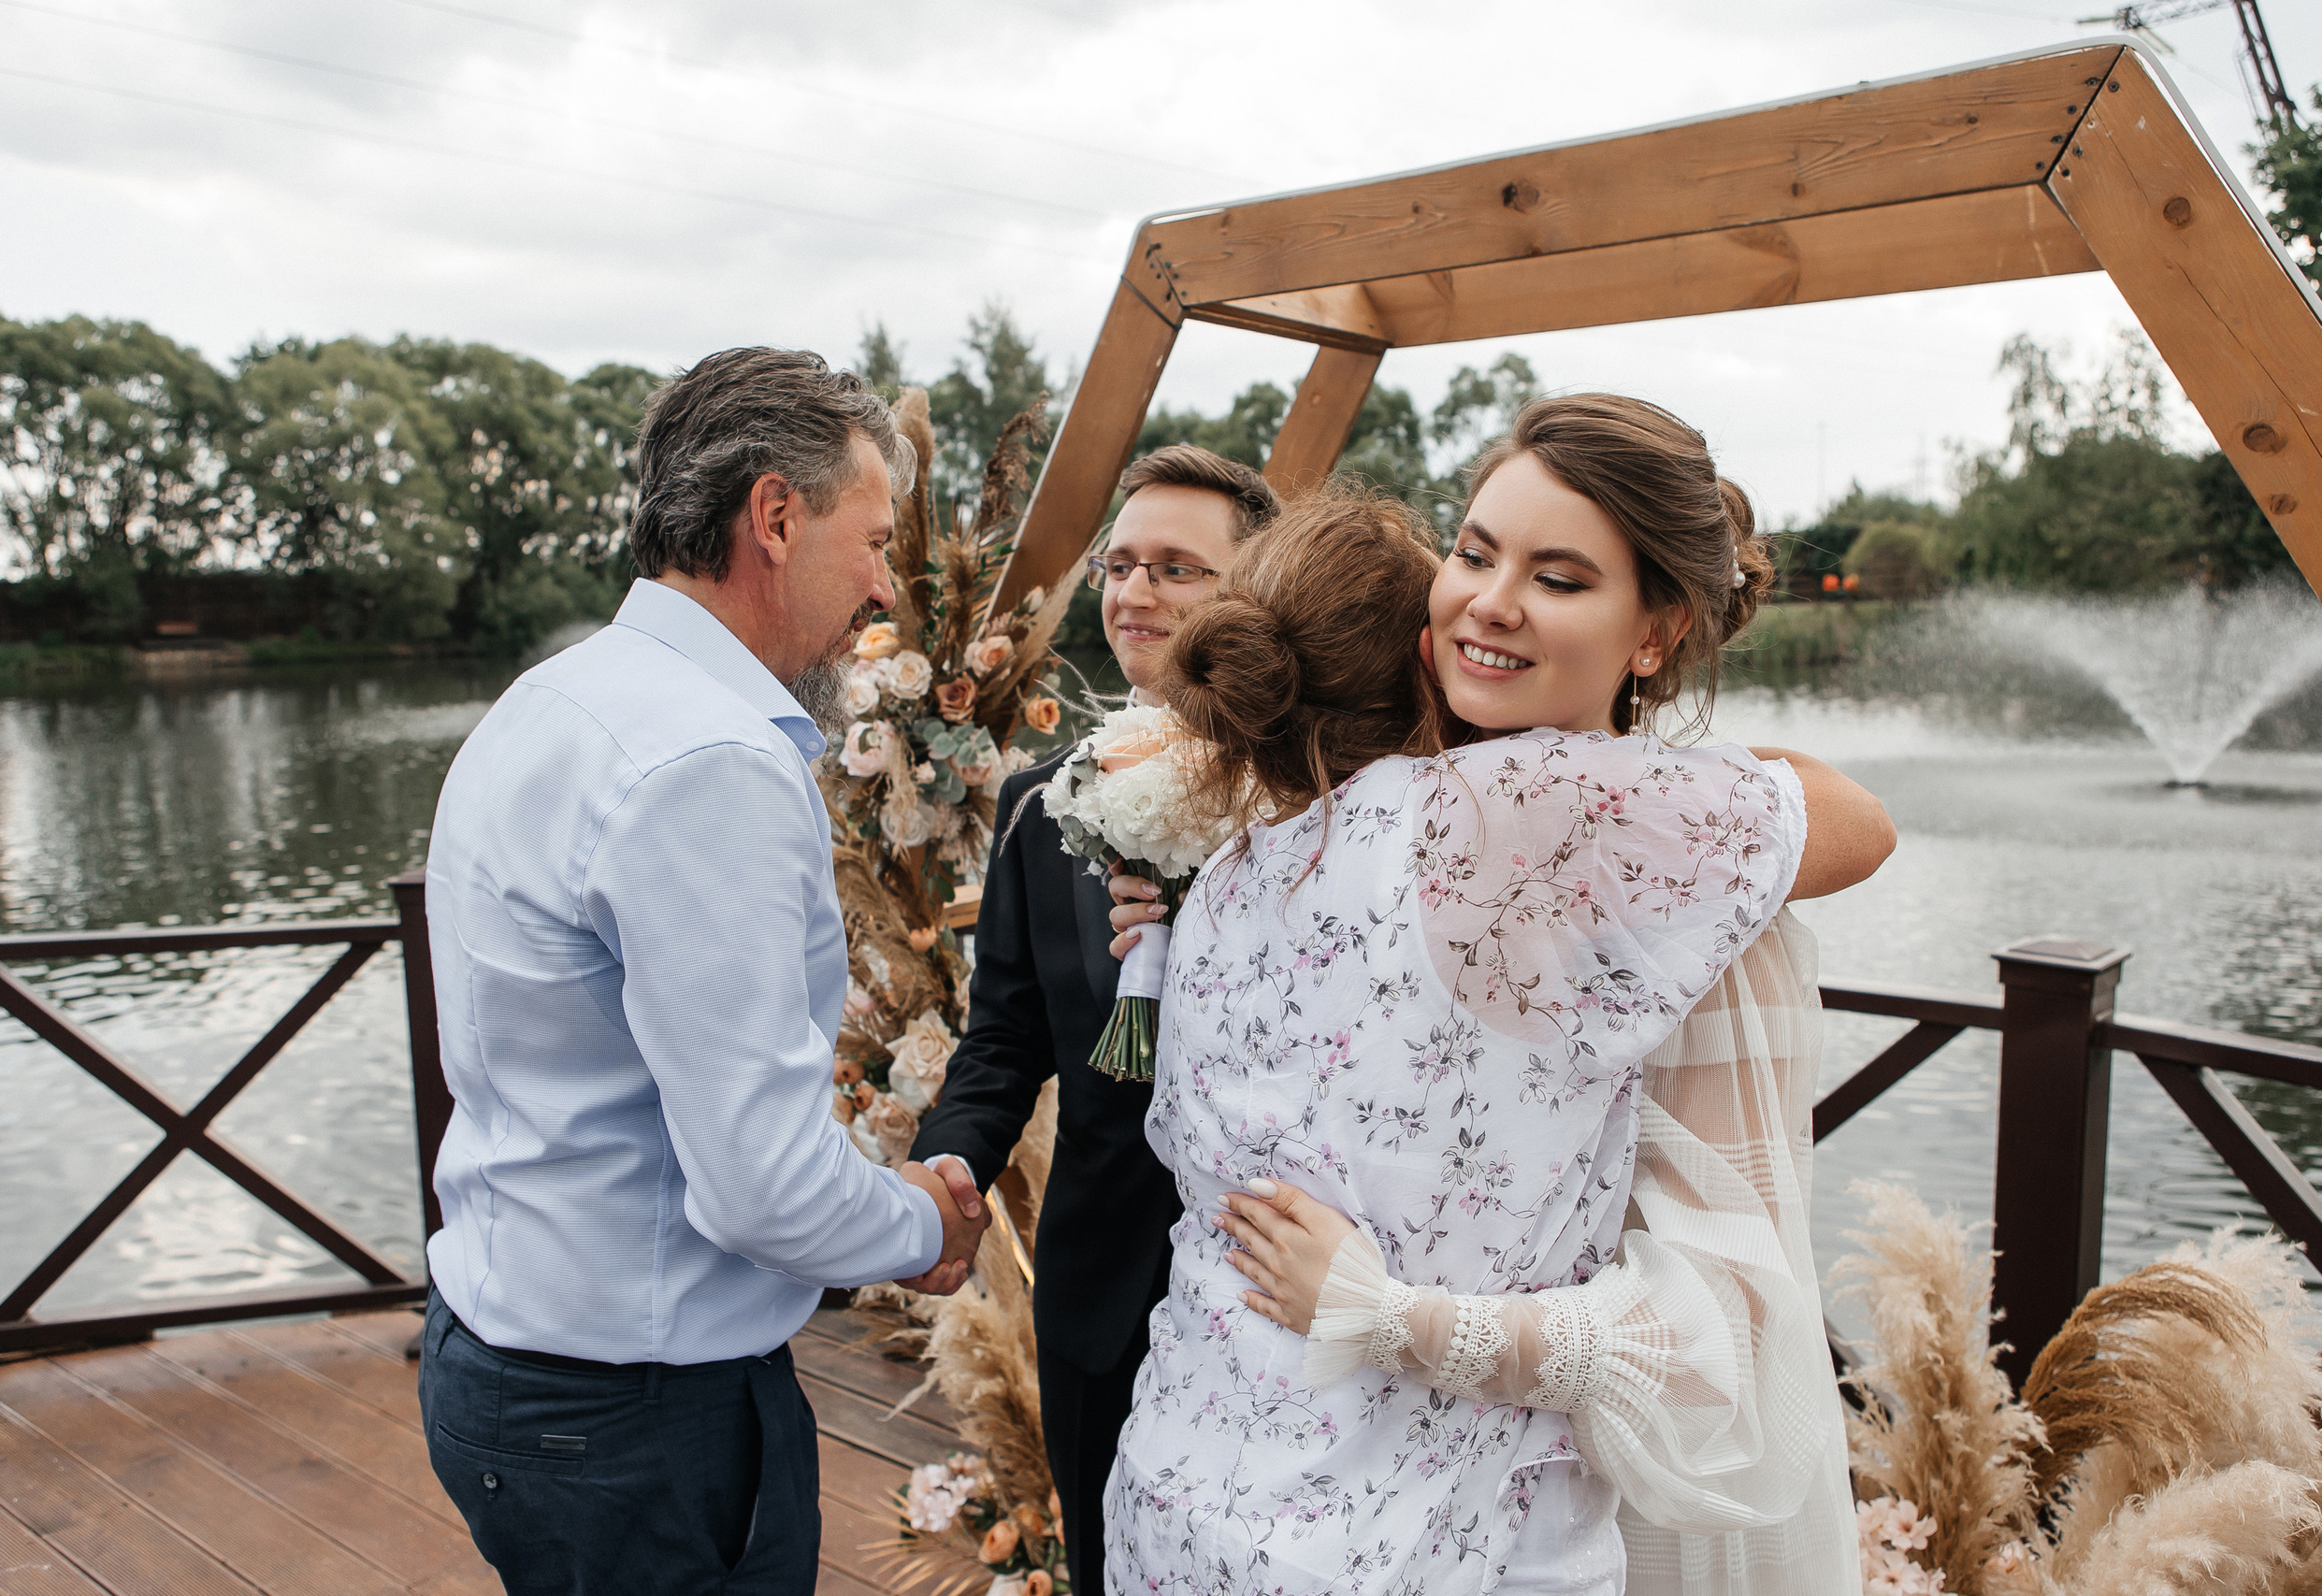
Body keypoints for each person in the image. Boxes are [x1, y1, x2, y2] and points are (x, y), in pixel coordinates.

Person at [1103, 399, 1892, 1593]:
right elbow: (1859, 822)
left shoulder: (1228, 875)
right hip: (1430, 1550)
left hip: (1178, 1499)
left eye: (1556, 576)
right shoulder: (1538, 812)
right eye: (1473, 554)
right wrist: (1400, 1320)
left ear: (1656, 628)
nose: (1489, 600)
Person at [416, 348, 987, 1595]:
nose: (884, 585)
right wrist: (922, 1221)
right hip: (632, 1415)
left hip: (511, 1351)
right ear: (775, 517)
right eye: (875, 539)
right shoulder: (706, 763)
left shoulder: (554, 700)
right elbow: (761, 1190)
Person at [910, 443, 1282, 1596]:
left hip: (1279, 1289)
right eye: (1121, 565)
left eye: (1178, 567)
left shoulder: (1317, 795)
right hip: (1102, 1290)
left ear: (1257, 593)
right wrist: (943, 1166)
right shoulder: (1039, 803)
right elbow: (1007, 1038)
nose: (1134, 592)